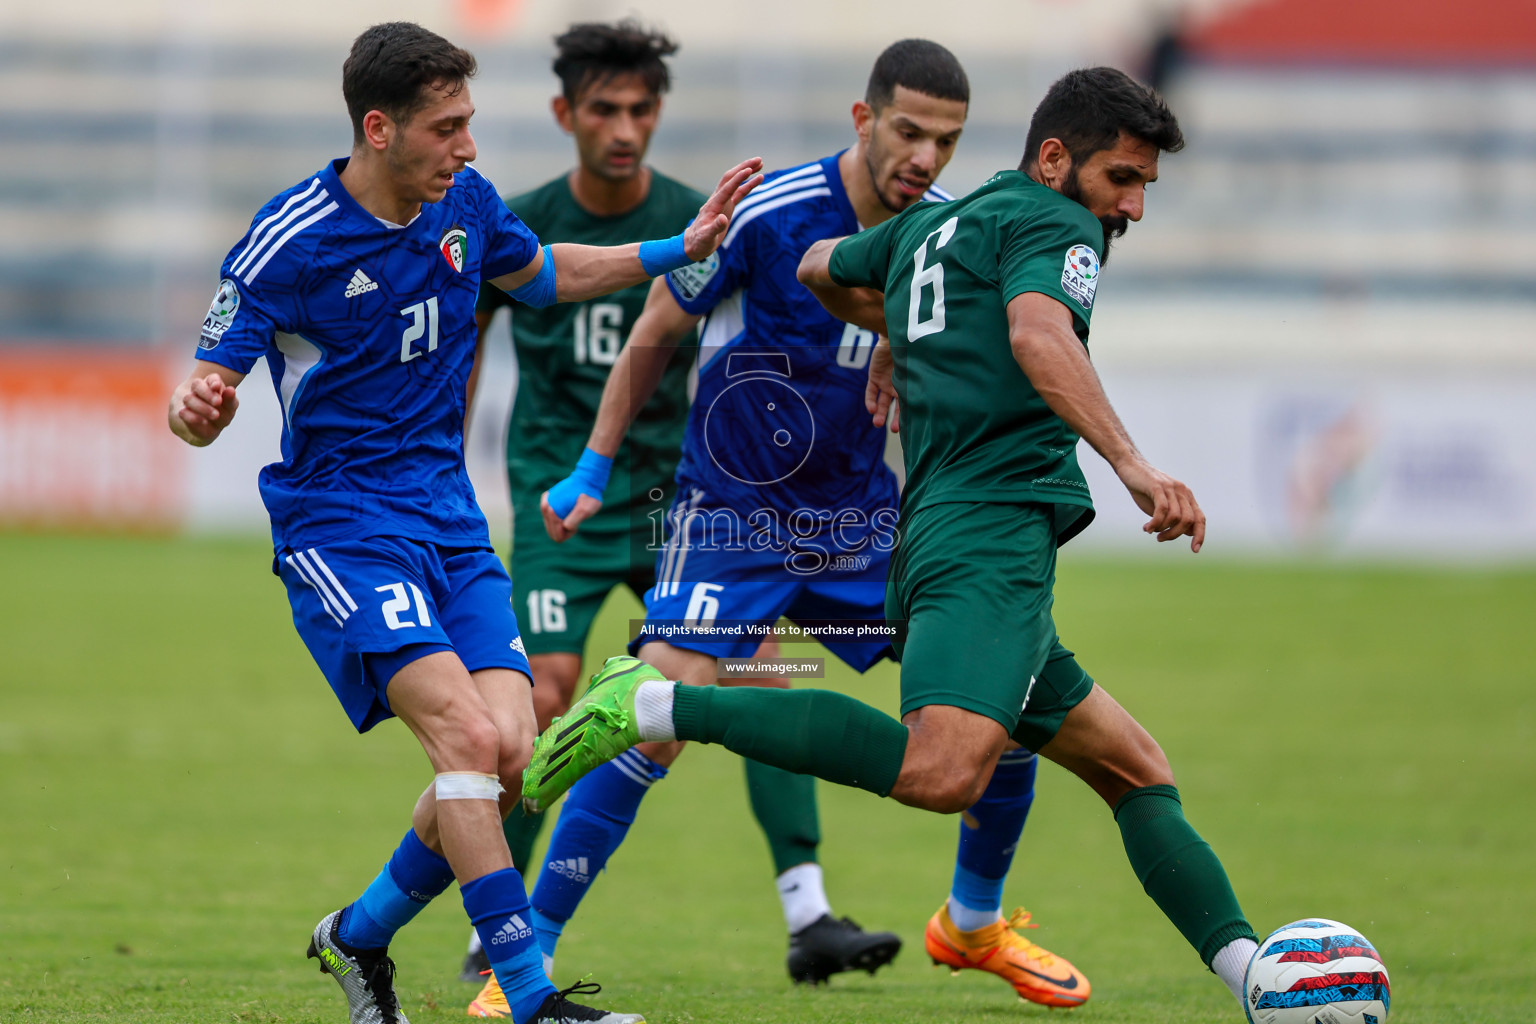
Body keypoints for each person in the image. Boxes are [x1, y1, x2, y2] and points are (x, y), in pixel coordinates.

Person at [524, 66, 1268, 1017]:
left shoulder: (938, 225)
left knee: (1093, 752)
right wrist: (1135, 467)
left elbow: (828, 270)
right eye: (1122, 179)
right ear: (866, 120)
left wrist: (897, 337)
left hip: (875, 519)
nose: (1130, 205)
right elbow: (1037, 336)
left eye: (945, 140)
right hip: (765, 515)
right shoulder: (1033, 223)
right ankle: (540, 932)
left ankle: (1013, 929)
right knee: (940, 763)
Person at [166, 21, 760, 1024]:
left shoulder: (467, 206)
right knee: (465, 737)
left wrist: (677, 247)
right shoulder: (291, 237)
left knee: (513, 754)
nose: (469, 147)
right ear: (379, 128)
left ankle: (357, 934)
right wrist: (201, 405)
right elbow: (211, 375)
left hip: (447, 520)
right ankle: (529, 996)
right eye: (448, 128)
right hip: (342, 524)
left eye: (470, 124)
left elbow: (548, 277)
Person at [458, 21, 794, 1014]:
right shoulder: (520, 223)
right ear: (565, 114)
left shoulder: (706, 218)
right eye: (603, 108)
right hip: (559, 491)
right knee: (544, 695)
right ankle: (501, 929)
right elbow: (466, 359)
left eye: (642, 109)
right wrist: (445, 473)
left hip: (674, 500)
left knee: (745, 677)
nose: (625, 127)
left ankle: (807, 906)